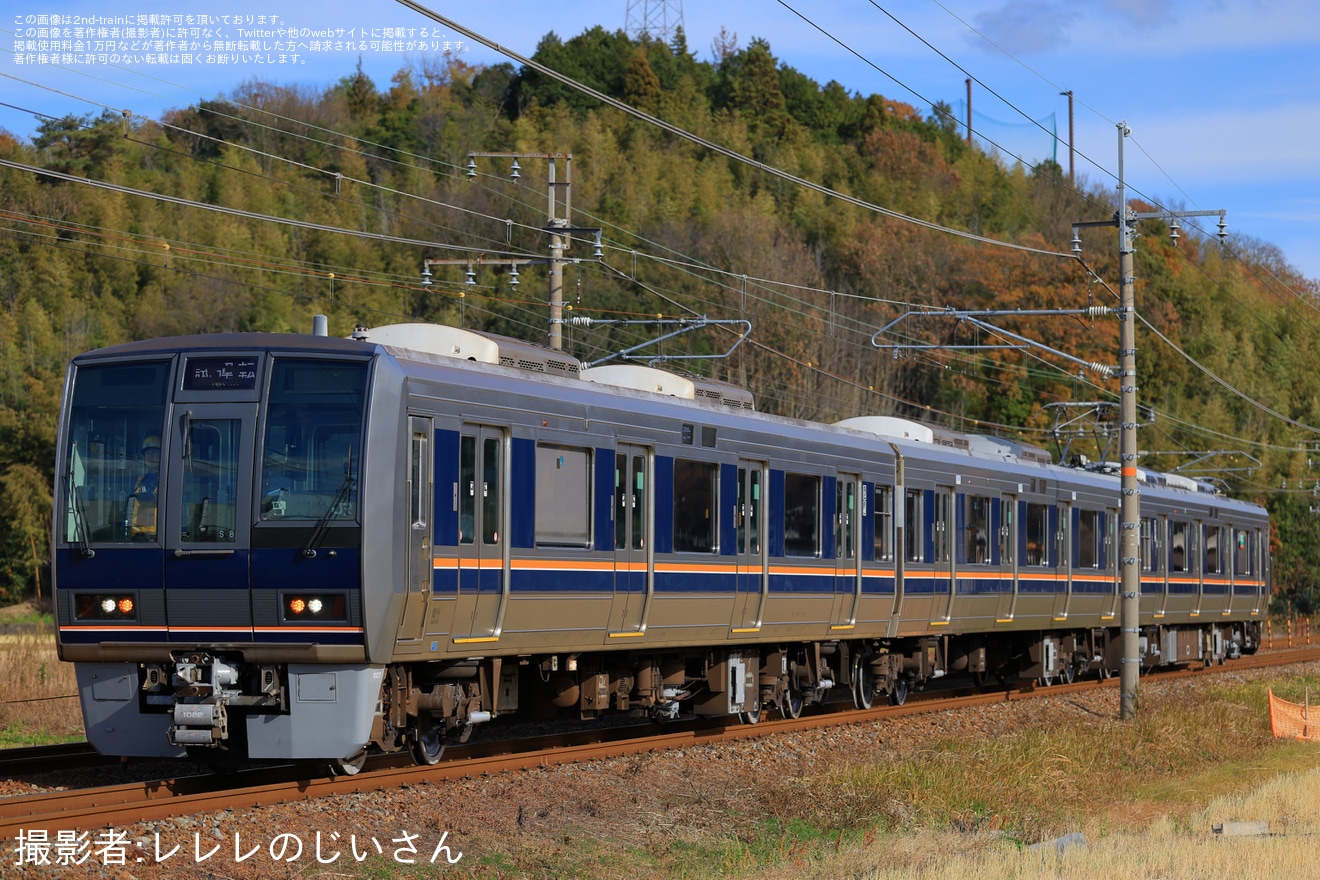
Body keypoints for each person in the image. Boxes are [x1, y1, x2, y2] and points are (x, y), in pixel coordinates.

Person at [125, 433, 160, 539]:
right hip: (137, 537)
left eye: (154, 453)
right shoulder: (138, 480)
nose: (150, 456)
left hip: (160, 538)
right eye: (147, 453)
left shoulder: (169, 480)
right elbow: (128, 508)